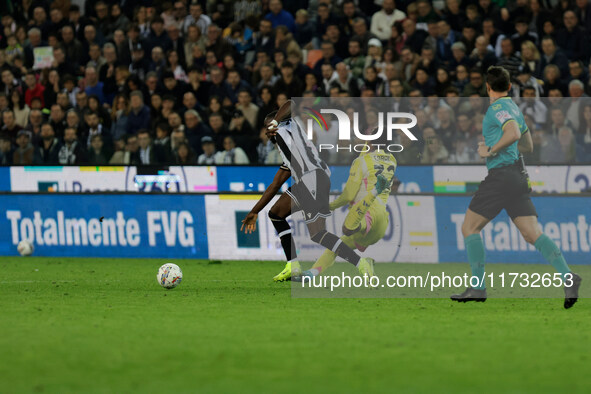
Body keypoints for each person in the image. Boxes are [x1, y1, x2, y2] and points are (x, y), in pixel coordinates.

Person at [451, 66, 582, 308]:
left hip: (501, 176)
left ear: (487, 87)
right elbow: (528, 145)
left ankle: (478, 288)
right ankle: (568, 276)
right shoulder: (514, 108)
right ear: (510, 87)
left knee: (469, 228)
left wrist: (490, 150)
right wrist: (505, 144)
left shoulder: (497, 108)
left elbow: (511, 134)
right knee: (532, 233)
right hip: (518, 175)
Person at [240, 101, 376, 282]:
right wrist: (254, 211)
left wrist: (275, 122)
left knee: (318, 234)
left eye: (269, 125)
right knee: (276, 214)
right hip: (311, 179)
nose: (267, 131)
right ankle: (292, 266)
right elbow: (274, 185)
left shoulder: (288, 126)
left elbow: (290, 103)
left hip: (312, 178)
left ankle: (361, 263)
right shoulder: (288, 149)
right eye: (265, 128)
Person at [299, 139, 397, 280]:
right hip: (381, 224)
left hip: (367, 215)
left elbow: (348, 196)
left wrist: (328, 206)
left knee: (347, 230)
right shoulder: (393, 160)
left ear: (369, 143)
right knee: (337, 245)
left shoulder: (361, 161)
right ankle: (312, 273)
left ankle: (372, 194)